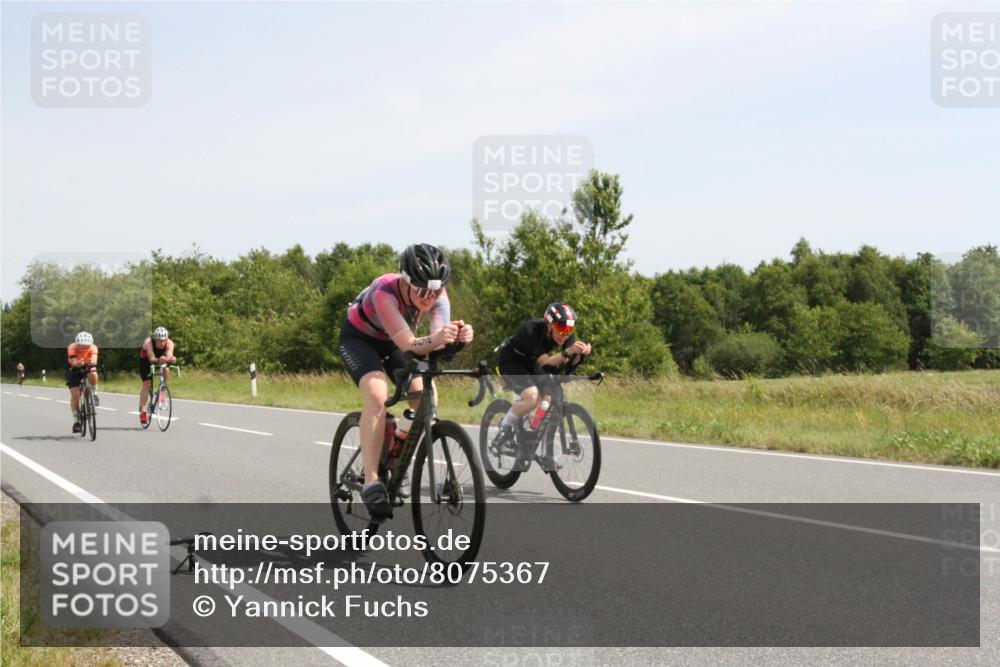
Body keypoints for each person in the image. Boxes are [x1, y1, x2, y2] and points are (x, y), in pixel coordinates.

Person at [338, 243, 473, 519]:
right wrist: (437, 339)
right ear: (406, 281)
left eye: (435, 291)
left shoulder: (438, 296)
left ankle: (397, 453)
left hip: (393, 343)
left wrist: (457, 338)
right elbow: (409, 343)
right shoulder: (384, 292)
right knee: (377, 393)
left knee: (428, 395)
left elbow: (435, 342)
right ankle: (373, 480)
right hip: (359, 339)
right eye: (422, 290)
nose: (429, 298)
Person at [494, 302, 592, 468]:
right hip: (512, 362)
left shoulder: (568, 336)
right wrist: (568, 352)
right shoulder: (531, 329)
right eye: (560, 329)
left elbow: (565, 363)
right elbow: (546, 362)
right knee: (532, 397)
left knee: (552, 397)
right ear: (548, 325)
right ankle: (504, 429)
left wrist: (580, 354)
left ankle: (546, 453)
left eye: (568, 331)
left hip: (533, 363)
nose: (564, 335)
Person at [139, 327, 177, 425]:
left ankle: (163, 388)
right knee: (147, 383)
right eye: (159, 341)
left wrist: (171, 359)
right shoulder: (148, 342)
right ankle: (143, 410)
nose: (162, 343)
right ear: (155, 339)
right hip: (146, 361)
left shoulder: (170, 343)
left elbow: (169, 355)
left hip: (160, 359)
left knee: (166, 368)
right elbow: (152, 359)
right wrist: (160, 359)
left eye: (164, 340)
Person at [66, 331, 99, 433]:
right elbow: (74, 362)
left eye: (86, 346)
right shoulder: (72, 347)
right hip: (73, 368)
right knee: (75, 395)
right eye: (81, 346)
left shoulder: (93, 347)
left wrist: (88, 363)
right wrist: (78, 363)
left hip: (87, 365)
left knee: (93, 371)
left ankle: (94, 392)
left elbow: (94, 361)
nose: (84, 348)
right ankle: (76, 420)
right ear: (77, 344)